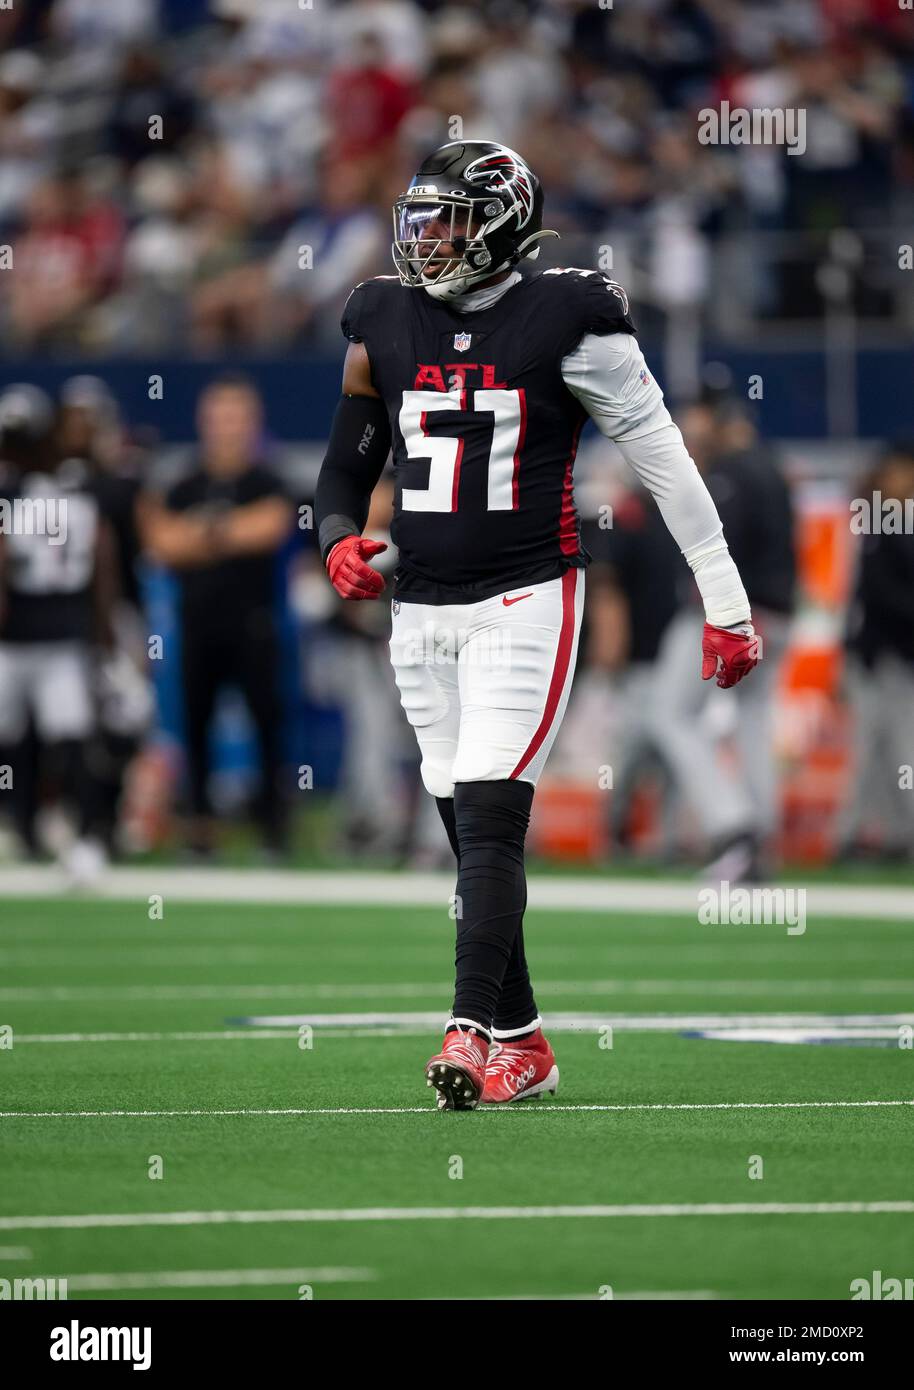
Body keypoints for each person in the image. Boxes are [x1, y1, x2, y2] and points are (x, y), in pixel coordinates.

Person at [315, 140, 758, 1110]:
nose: (426, 236)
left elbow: (661, 458)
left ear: (501, 223)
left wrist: (722, 601)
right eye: (420, 217)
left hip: (526, 595)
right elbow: (348, 460)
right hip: (418, 602)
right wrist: (339, 537)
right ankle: (522, 1041)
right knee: (458, 819)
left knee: (485, 815)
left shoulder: (567, 314)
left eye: (448, 218)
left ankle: (467, 1033)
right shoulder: (380, 317)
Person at [141, 374, 293, 855]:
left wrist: (201, 534)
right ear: (204, 421)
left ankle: (273, 829)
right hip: (198, 623)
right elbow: (162, 543)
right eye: (219, 417)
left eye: (237, 417)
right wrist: (227, 533)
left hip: (255, 623)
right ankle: (200, 829)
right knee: (196, 725)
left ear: (253, 422)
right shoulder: (184, 481)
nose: (227, 427)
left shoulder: (268, 478)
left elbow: (269, 528)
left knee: (268, 723)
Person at [0, 383, 118, 883]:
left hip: (23, 634)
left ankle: (34, 829)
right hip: (66, 633)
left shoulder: (13, 494)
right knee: (66, 742)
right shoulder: (83, 490)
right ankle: (78, 834)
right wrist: (103, 631)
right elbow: (104, 561)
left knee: (23, 742)